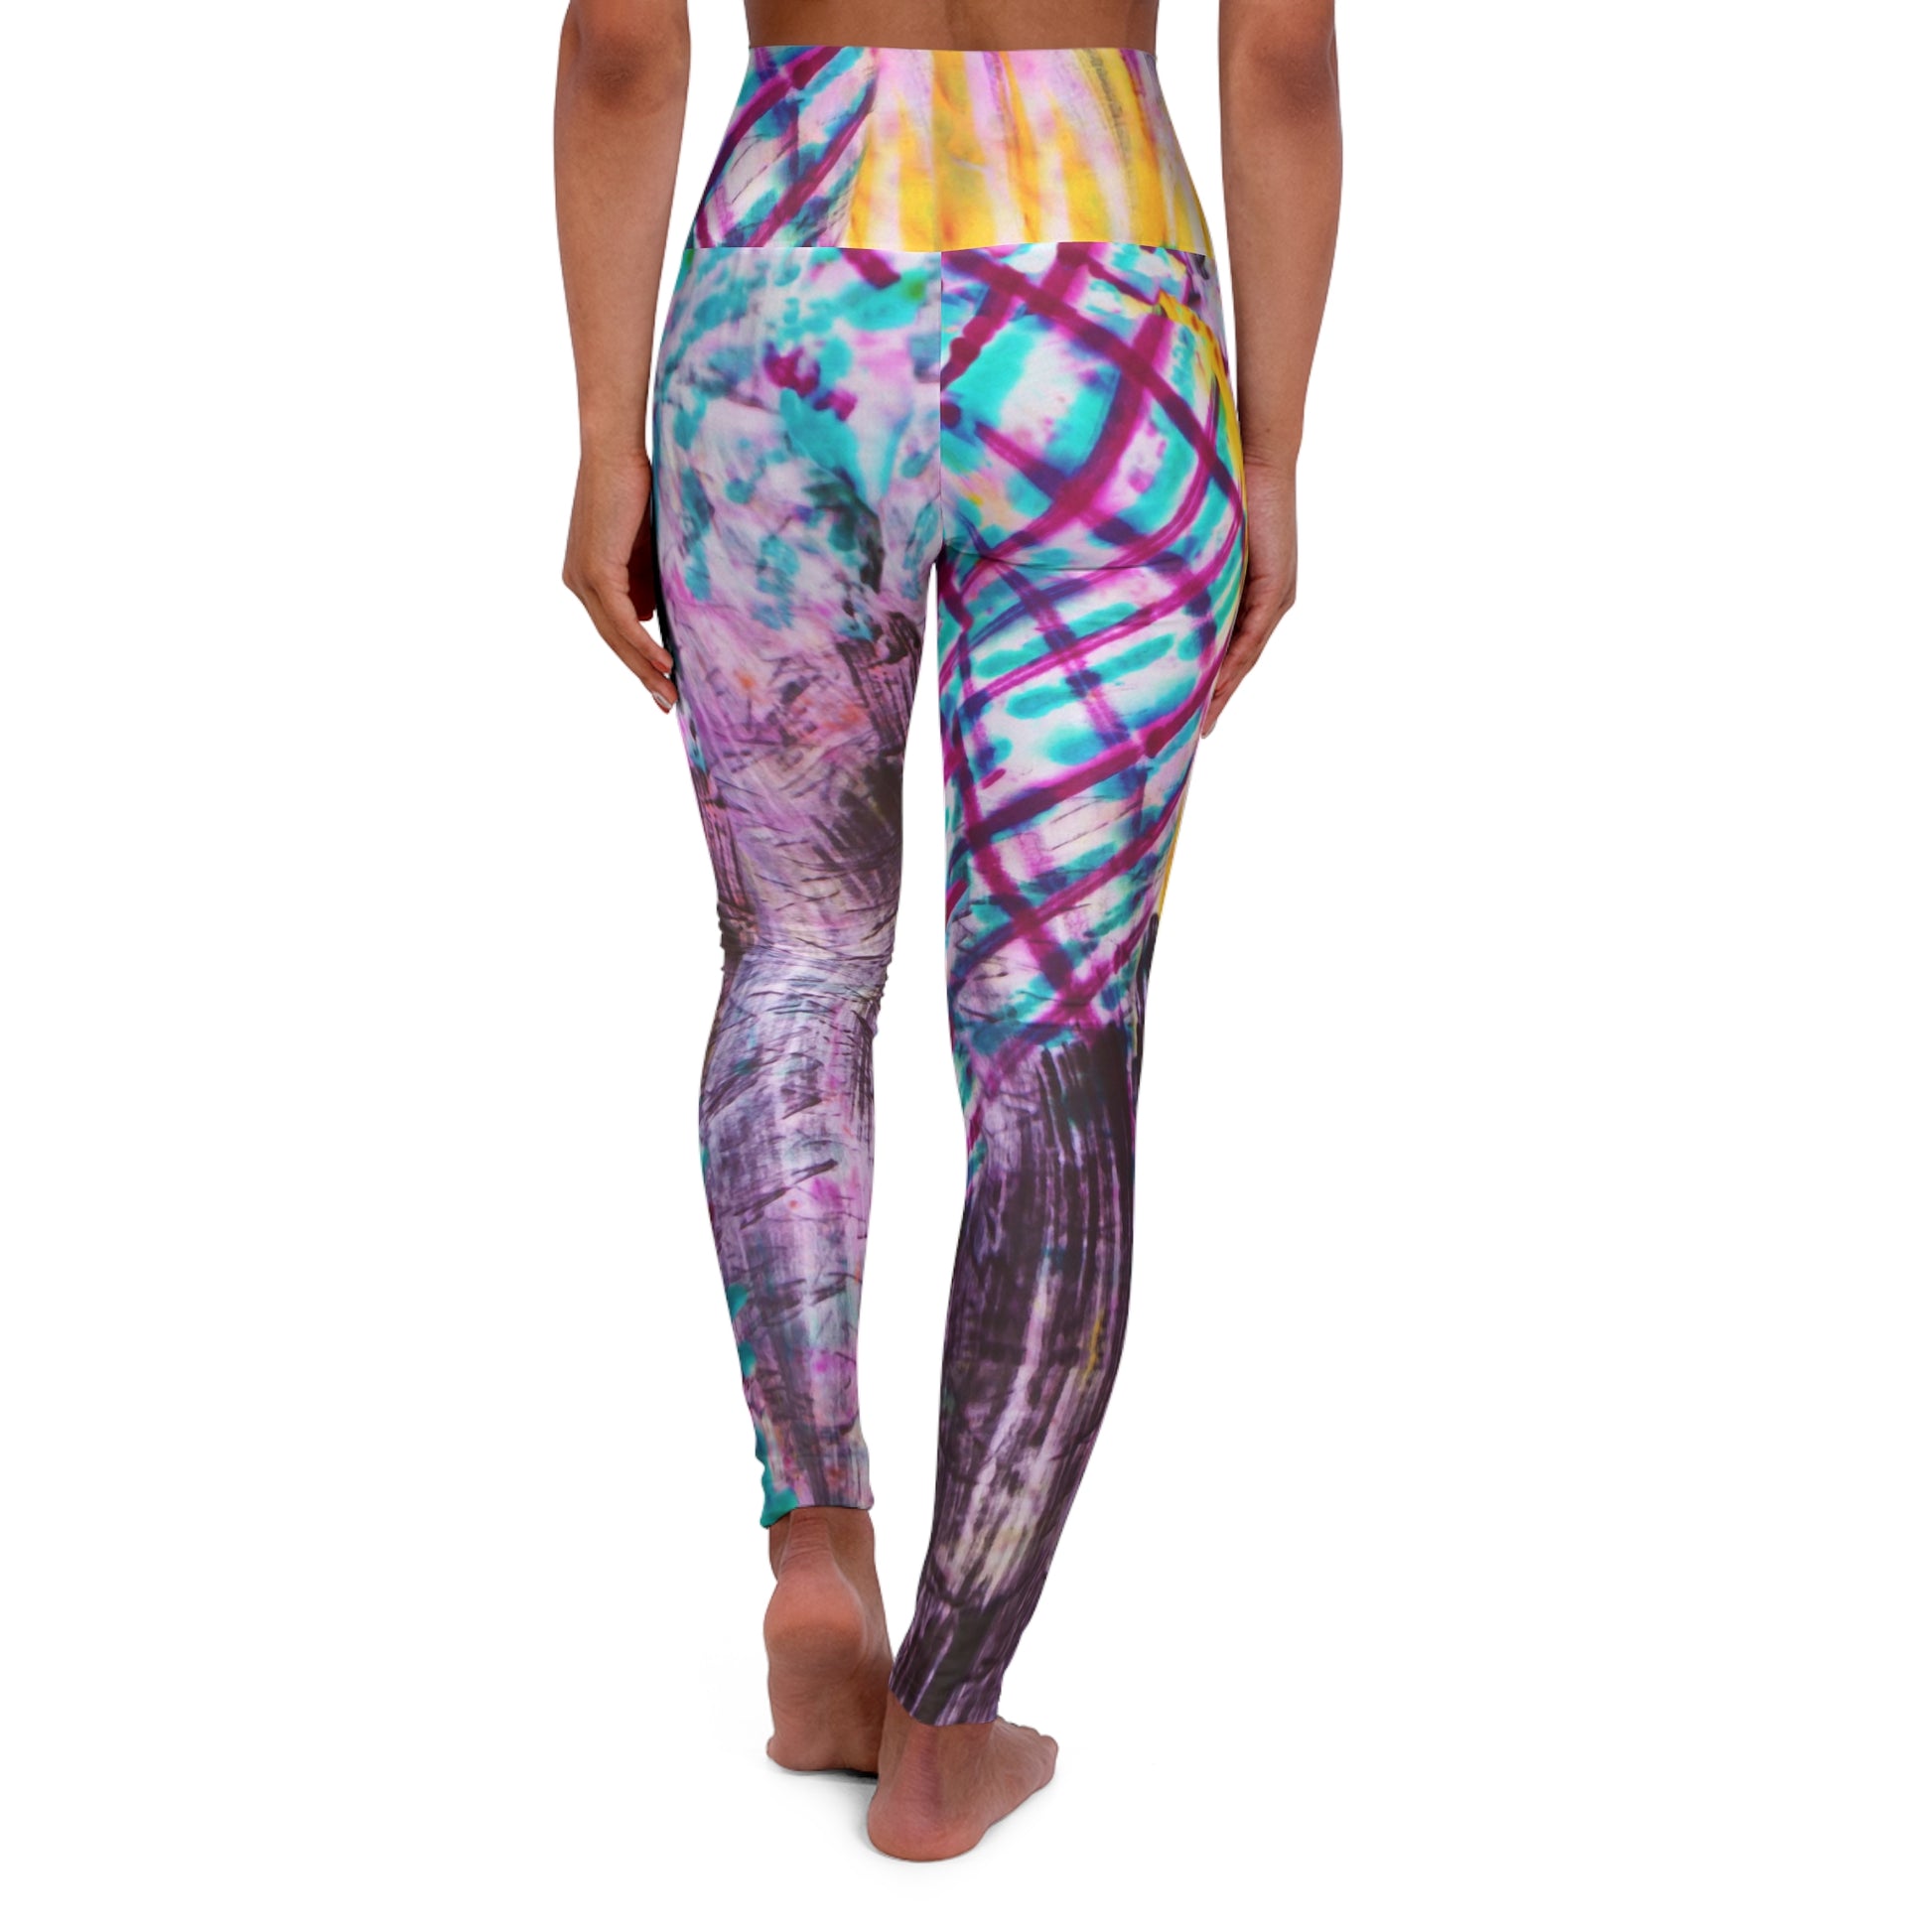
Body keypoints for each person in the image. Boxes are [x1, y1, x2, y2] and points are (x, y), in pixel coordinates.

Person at [555, 0, 1341, 1860]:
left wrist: (602, 434)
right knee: (1052, 1037)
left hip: (778, 292)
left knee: (795, 954)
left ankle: (814, 1541)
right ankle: (946, 1723)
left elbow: (620, 46)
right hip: (1103, 319)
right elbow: (1282, 55)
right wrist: (1274, 456)